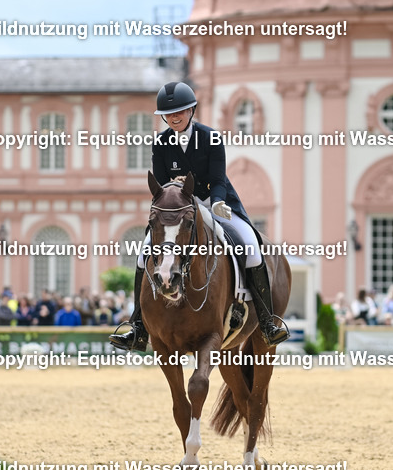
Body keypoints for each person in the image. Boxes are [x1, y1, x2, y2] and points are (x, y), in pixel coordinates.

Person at [110, 82, 288, 351]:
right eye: (169, 114)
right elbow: (160, 186)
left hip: (213, 201)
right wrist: (175, 190)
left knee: (251, 246)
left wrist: (217, 203)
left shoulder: (210, 138)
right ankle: (137, 326)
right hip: (179, 211)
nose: (174, 117)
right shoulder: (160, 144)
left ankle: (266, 322)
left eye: (180, 112)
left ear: (191, 110)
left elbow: (218, 179)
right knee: (143, 254)